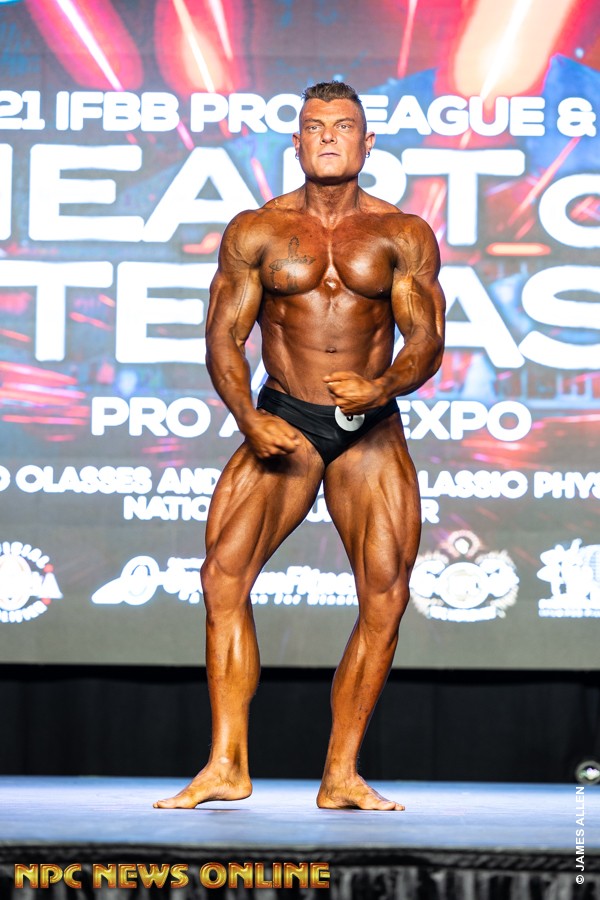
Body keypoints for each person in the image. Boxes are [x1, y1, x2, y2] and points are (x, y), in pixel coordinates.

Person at [154, 81, 445, 811]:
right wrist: (247, 418)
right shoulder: (257, 229)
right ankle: (226, 763)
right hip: (285, 417)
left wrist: (383, 386)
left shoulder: (402, 233)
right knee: (222, 578)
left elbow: (427, 339)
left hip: (369, 429)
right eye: (314, 127)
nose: (328, 137)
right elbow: (223, 336)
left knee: (386, 595)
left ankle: (341, 774)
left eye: (343, 127)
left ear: (367, 143)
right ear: (296, 141)